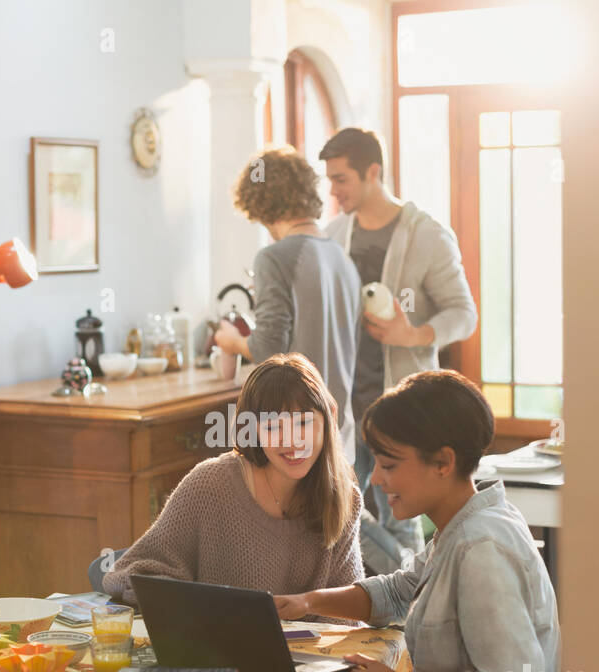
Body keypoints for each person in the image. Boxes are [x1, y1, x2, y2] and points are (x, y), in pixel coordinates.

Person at [233, 370, 559, 672]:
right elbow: (402, 588)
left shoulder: (483, 549)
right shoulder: (465, 522)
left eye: (388, 464)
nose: (375, 479)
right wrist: (308, 601)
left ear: (443, 463)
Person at [319, 128, 478, 574]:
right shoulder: (332, 237)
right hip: (344, 407)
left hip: (401, 407)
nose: (333, 190)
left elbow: (464, 314)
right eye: (329, 180)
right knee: (338, 511)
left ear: (373, 172)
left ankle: (409, 612)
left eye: (342, 179)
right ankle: (410, 587)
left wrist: (415, 334)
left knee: (402, 515)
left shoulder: (427, 235)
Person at [102, 354, 362, 611]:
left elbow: (350, 612)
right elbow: (128, 574)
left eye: (304, 423)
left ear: (330, 416)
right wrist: (197, 609)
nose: (292, 441)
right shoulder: (208, 485)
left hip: (314, 653)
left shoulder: (344, 499)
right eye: (273, 427)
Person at [214, 146, 360, 465]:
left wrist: (231, 341)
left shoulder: (273, 257)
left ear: (260, 205)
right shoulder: (341, 257)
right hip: (340, 430)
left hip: (293, 432)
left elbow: (269, 349)